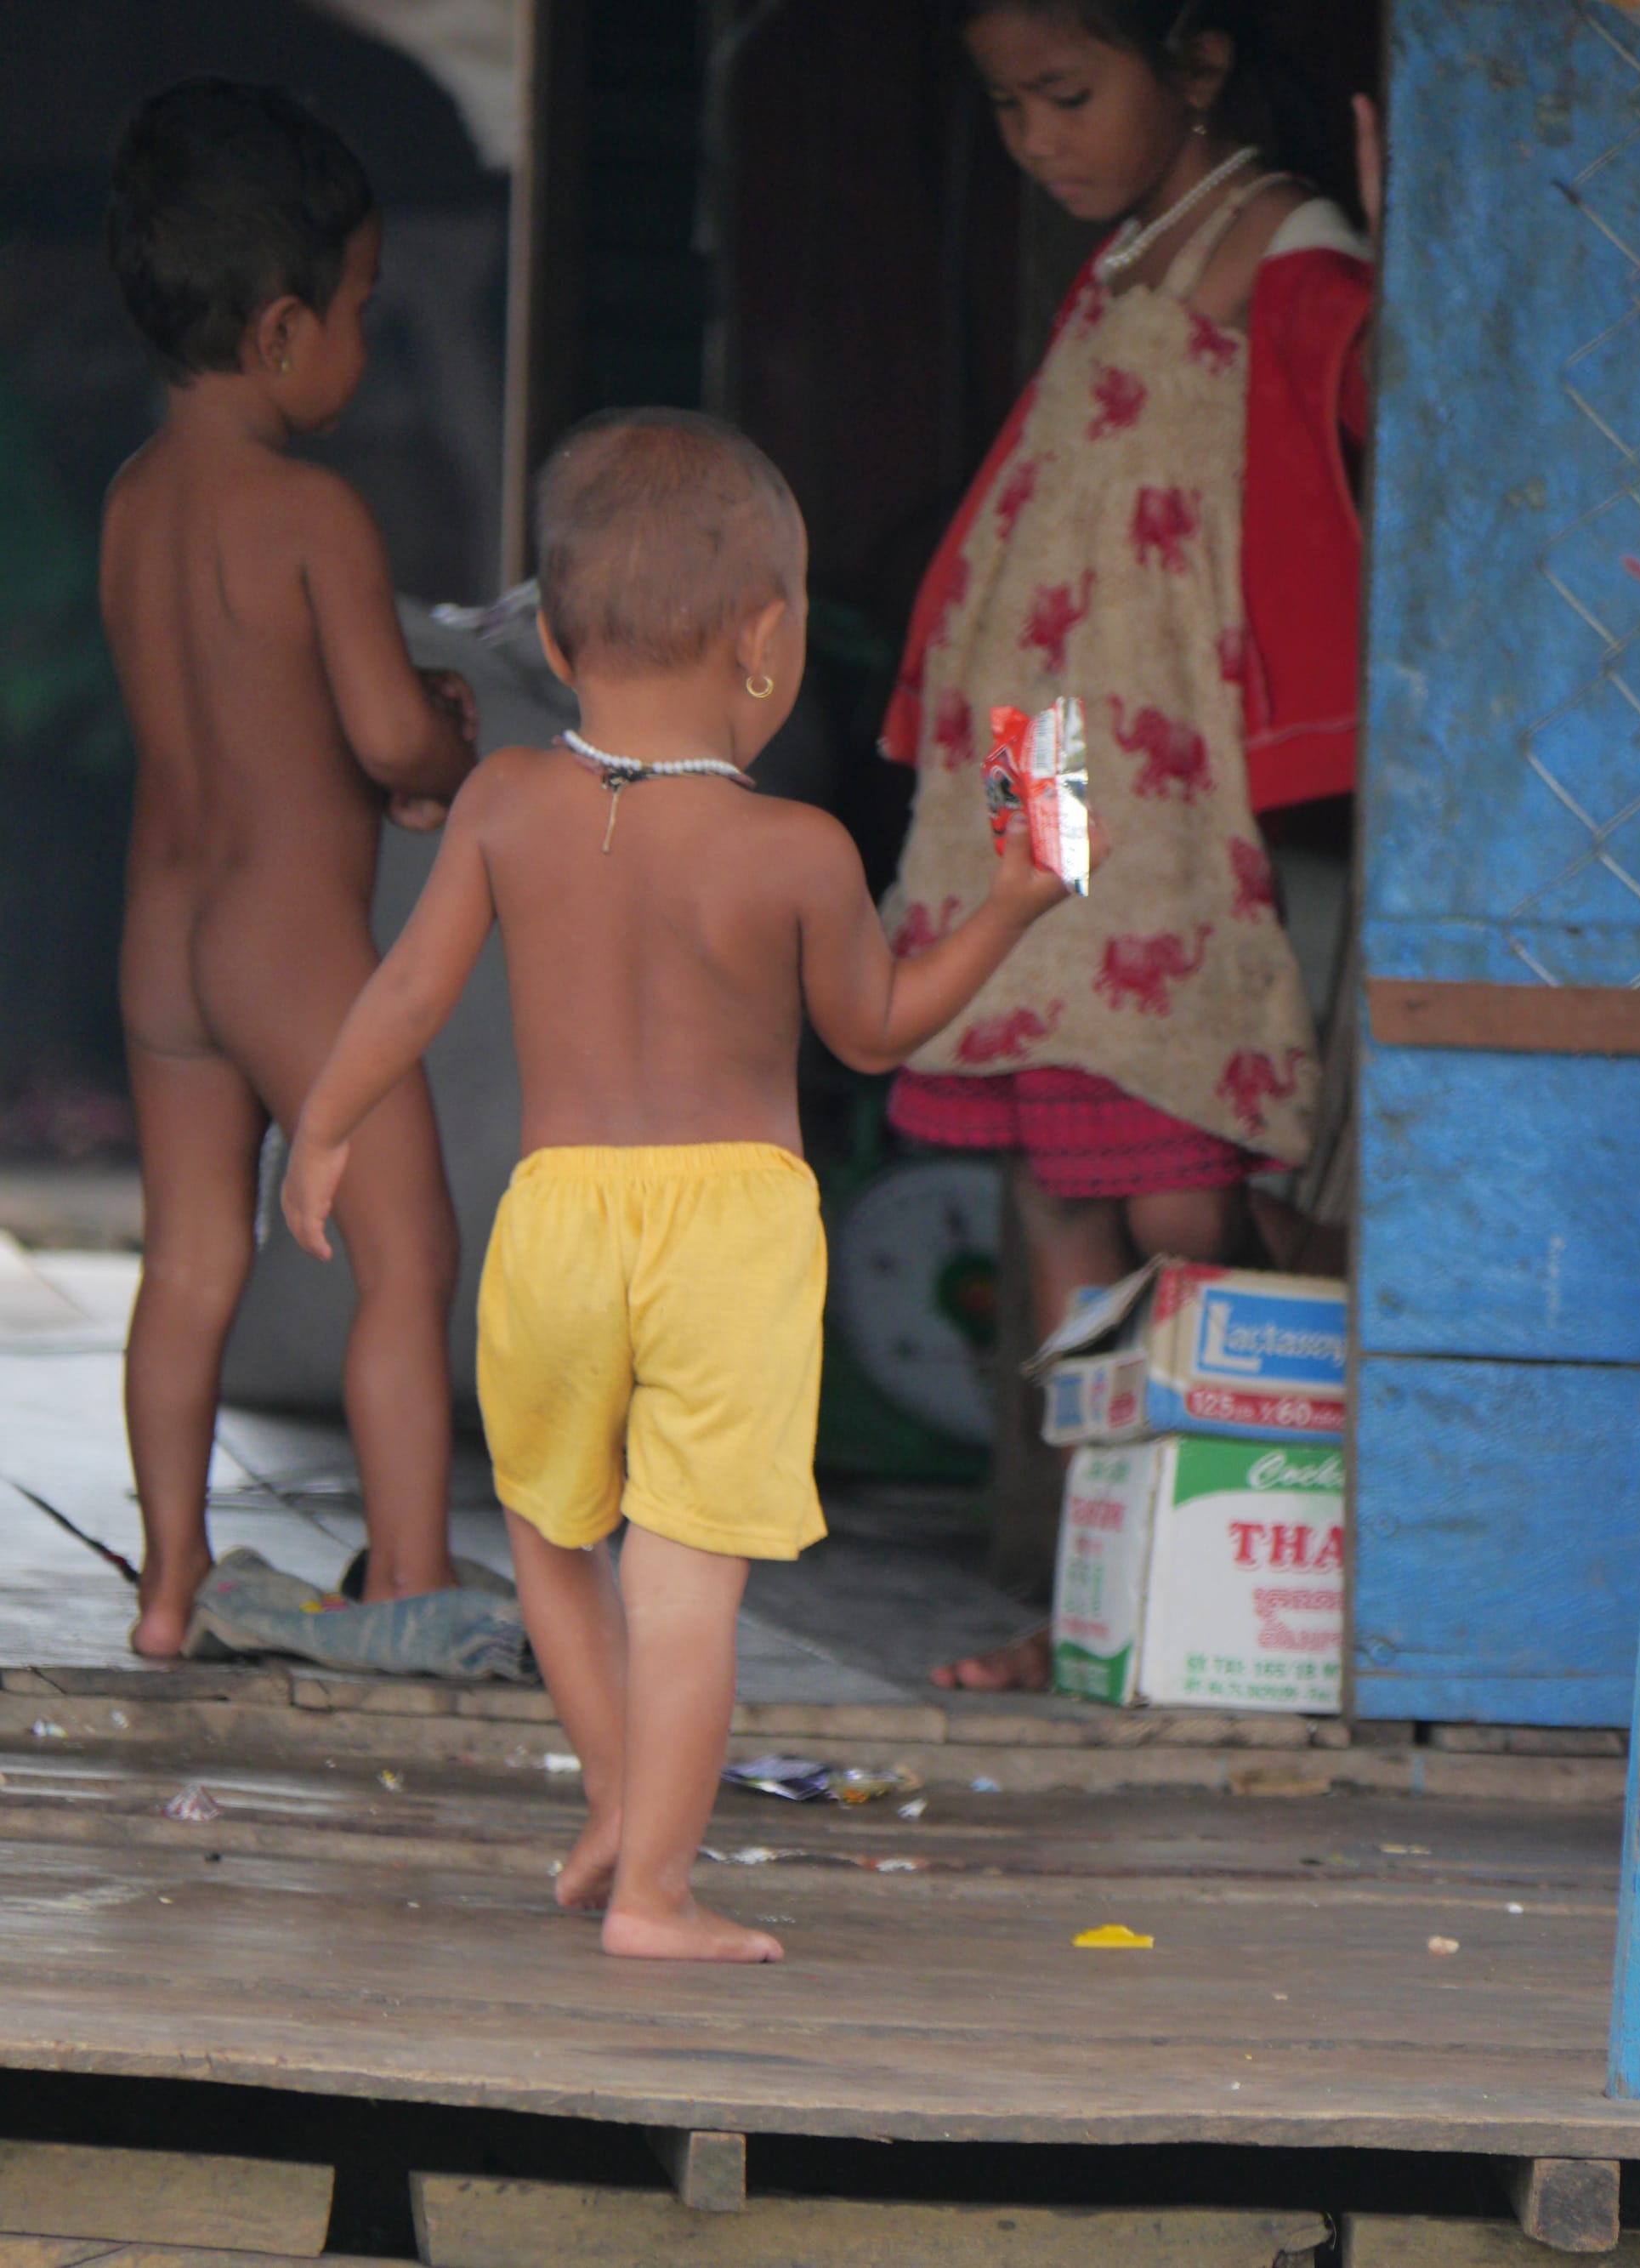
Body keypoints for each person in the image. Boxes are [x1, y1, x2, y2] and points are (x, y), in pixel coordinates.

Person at [281, 410, 1094, 1961]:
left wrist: (320, 1128)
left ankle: (615, 1810)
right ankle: (655, 1887)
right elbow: (876, 1031)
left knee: (545, 1530)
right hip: (731, 1228)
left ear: (558, 636)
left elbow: (403, 994)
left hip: (561, 1216)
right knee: (689, 1579)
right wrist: (1012, 907)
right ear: (768, 640)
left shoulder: (508, 798)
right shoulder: (795, 848)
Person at [877, 0, 1380, 1690]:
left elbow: (1381, 387)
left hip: (1157, 782)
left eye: (1067, 94)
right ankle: (1091, 1579)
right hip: (1039, 757)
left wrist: (1422, 262)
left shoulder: (1276, 241)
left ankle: (1207, 1561)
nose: (1036, 138)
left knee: (1174, 1164)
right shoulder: (1130, 249)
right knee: (1050, 1161)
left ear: (1202, 61)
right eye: (1009, 105)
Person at [101, 80, 478, 1657]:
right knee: (407, 1252)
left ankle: (173, 1589)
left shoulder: (133, 499)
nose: (365, 345)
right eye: (363, 312)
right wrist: (447, 745)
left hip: (163, 945)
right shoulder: (314, 509)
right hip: (291, 946)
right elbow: (389, 739)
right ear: (277, 330)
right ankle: (406, 1578)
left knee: (191, 1256)